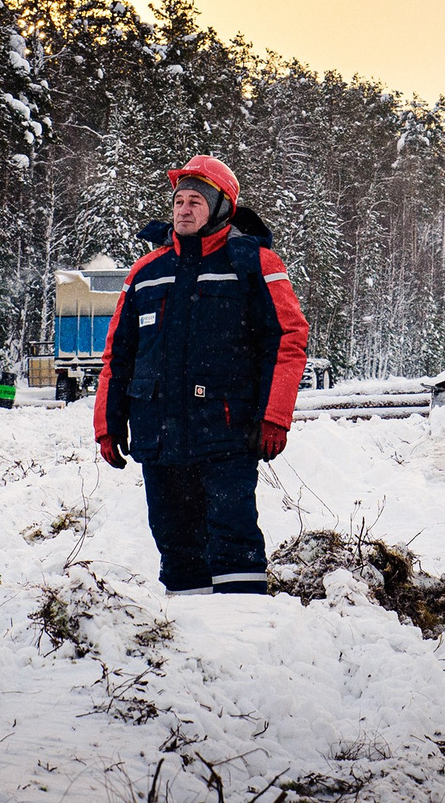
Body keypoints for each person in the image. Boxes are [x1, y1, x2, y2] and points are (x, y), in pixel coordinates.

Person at [94, 155, 309, 595]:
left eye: (196, 201)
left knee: (234, 542)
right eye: (179, 201)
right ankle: (189, 649)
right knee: (176, 547)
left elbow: (288, 339)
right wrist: (108, 425)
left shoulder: (254, 264)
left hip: (227, 433)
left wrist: (274, 416)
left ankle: (244, 637)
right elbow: (118, 356)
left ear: (222, 208)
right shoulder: (145, 273)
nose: (184, 209)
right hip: (159, 438)